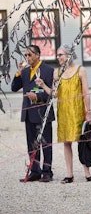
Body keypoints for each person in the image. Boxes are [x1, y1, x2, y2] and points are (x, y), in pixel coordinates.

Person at [41, 44, 91, 184]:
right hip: (64, 112)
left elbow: (86, 93)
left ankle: (87, 173)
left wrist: (88, 112)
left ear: (69, 55)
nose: (58, 57)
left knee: (82, 142)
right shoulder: (56, 73)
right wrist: (43, 85)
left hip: (78, 112)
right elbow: (55, 94)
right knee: (67, 142)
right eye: (58, 55)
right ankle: (69, 174)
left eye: (61, 54)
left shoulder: (80, 70)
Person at [11, 44, 55, 182]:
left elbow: (50, 92)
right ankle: (35, 171)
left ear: (37, 55)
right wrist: (18, 73)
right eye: (26, 55)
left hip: (43, 112)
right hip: (28, 113)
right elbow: (14, 88)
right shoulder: (25, 71)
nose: (27, 58)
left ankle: (47, 172)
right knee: (31, 144)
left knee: (46, 144)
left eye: (30, 55)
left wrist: (37, 97)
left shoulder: (48, 70)